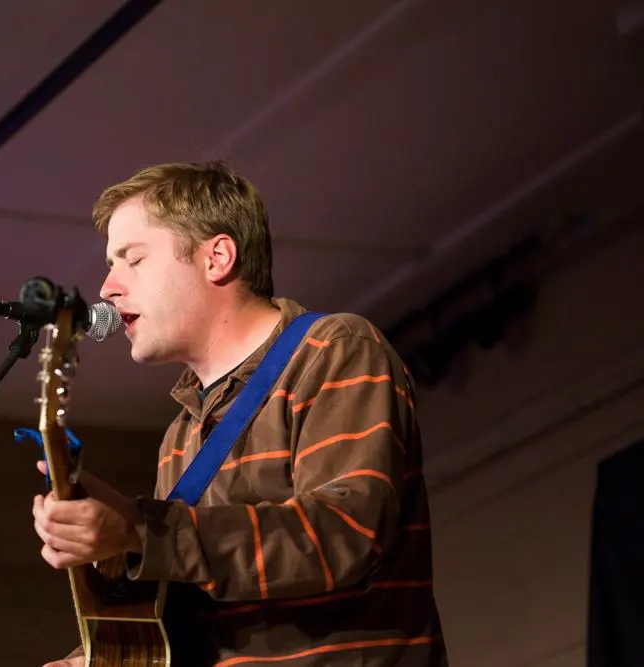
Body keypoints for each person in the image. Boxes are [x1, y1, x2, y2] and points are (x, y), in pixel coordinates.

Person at [31, 161, 448, 666]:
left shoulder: (333, 349)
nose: (107, 288)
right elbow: (187, 602)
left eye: (133, 259)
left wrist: (142, 530)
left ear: (217, 258)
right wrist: (93, 656)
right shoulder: (181, 435)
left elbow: (344, 534)